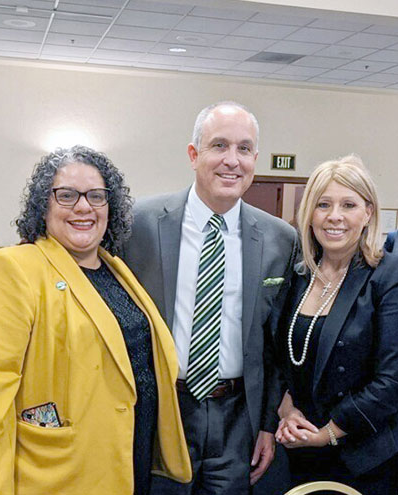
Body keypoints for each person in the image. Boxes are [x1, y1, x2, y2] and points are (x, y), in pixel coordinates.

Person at [0, 146, 192, 495]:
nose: (84, 207)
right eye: (66, 195)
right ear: (43, 205)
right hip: (58, 474)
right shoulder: (12, 268)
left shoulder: (116, 269)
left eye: (97, 196)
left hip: (128, 461)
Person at [123, 101, 298, 494]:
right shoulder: (140, 224)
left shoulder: (279, 240)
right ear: (193, 154)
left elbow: (275, 345)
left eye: (244, 149)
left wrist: (267, 423)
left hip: (238, 418)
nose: (231, 161)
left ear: (255, 158)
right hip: (162, 409)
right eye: (219, 146)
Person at [275, 155, 398, 494]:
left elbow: (394, 380)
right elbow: (277, 356)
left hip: (365, 454)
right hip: (298, 446)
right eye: (323, 204)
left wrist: (327, 434)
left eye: (349, 204)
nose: (334, 216)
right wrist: (286, 411)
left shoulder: (391, 276)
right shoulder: (297, 274)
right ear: (309, 213)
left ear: (368, 212)